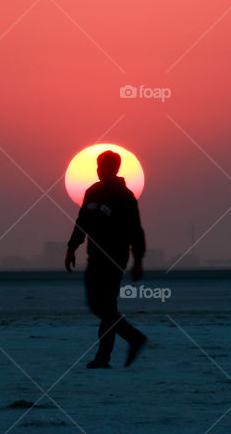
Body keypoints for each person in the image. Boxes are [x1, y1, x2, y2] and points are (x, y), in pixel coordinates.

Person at [65, 150, 148, 368]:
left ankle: (103, 357)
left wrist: (138, 260)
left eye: (104, 167)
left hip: (115, 258)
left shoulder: (125, 196)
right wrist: (72, 248)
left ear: (115, 169)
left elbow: (135, 230)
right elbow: (82, 221)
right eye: (98, 167)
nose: (100, 171)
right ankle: (132, 338)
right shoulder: (92, 191)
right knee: (99, 306)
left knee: (106, 306)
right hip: (94, 257)